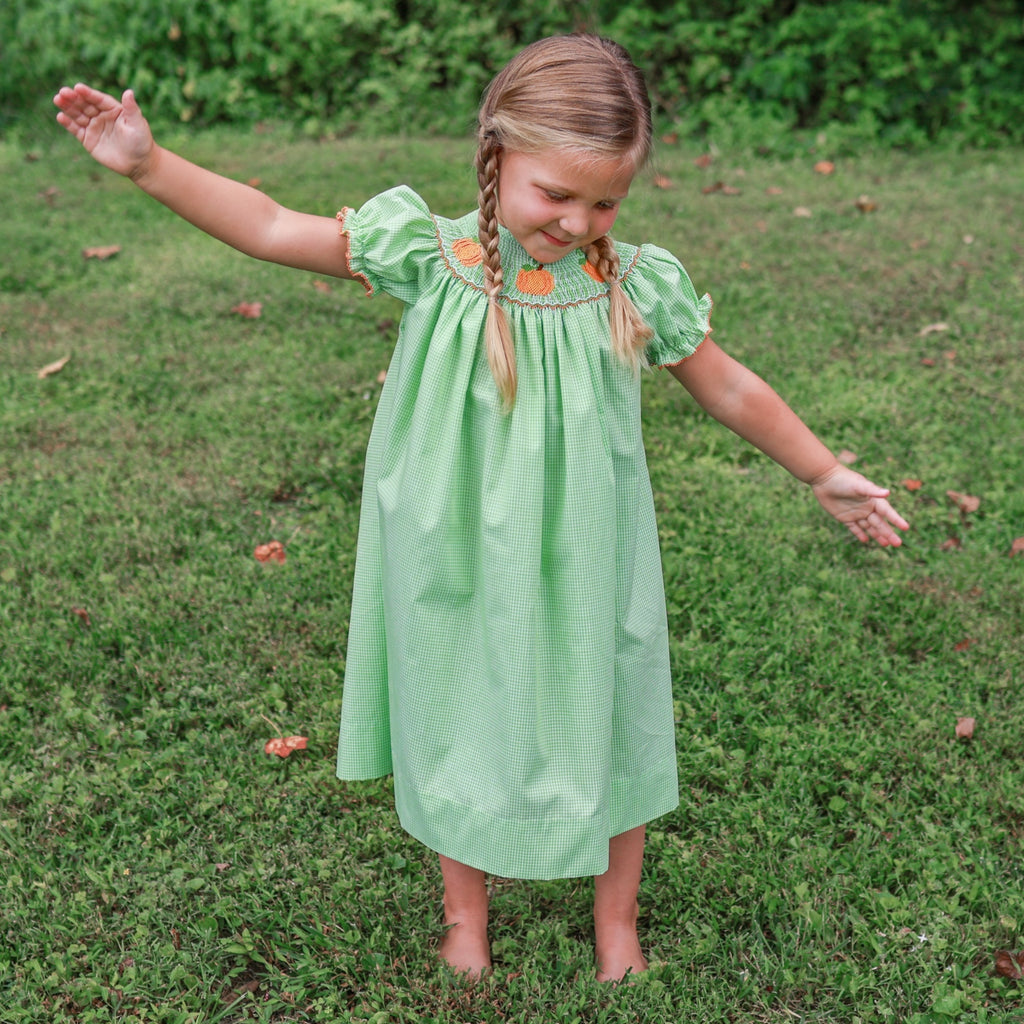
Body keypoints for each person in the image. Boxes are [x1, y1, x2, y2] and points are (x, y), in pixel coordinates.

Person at [54, 33, 908, 983]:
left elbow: (729, 386)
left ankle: (614, 920)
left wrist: (820, 468)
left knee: (610, 695)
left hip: (591, 540)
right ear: (498, 155)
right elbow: (267, 225)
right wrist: (150, 164)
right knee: (455, 699)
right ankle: (466, 914)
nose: (580, 221)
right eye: (558, 193)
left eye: (606, 200)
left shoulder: (629, 283)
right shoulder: (431, 254)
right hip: (448, 533)